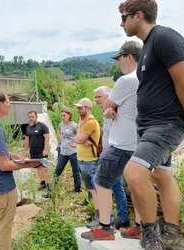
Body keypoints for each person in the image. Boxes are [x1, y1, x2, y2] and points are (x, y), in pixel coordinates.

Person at [118, 1, 184, 249]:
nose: (121, 23)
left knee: (134, 173)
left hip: (165, 123)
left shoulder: (165, 38)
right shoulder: (148, 45)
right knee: (161, 175)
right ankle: (173, 235)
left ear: (138, 15)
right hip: (150, 125)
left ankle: (151, 235)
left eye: (124, 18)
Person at [81, 41, 142, 241]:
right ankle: (141, 226)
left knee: (100, 180)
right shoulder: (148, 77)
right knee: (137, 185)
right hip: (141, 142)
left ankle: (105, 227)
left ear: (130, 57)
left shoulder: (126, 80)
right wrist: (113, 108)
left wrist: (111, 107)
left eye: (120, 59)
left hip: (122, 143)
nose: (118, 64)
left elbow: (108, 104)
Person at [0, 91, 40, 250]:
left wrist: (11, 154)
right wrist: (28, 165)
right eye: (8, 102)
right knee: (4, 228)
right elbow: (4, 165)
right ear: (0, 105)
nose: (10, 105)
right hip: (2, 188)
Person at [93, 86, 131, 230]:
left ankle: (106, 222)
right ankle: (122, 219)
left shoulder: (114, 109)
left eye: (99, 97)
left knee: (97, 181)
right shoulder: (105, 112)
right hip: (109, 154)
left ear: (109, 96)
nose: (97, 100)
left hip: (116, 154)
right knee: (117, 186)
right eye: (95, 97)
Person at [74, 98, 101, 224]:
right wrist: (80, 137)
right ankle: (97, 213)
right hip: (82, 159)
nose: (78, 110)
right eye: (78, 108)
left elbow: (78, 139)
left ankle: (99, 216)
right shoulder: (83, 121)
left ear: (88, 108)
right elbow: (78, 138)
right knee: (90, 187)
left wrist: (79, 135)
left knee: (94, 189)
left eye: (81, 108)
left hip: (90, 160)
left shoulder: (90, 122)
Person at [53, 107, 81, 194]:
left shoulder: (74, 126)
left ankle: (77, 189)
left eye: (64, 115)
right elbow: (60, 134)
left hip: (73, 152)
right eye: (61, 116)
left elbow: (81, 137)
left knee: (75, 171)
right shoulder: (61, 125)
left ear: (69, 115)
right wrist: (61, 143)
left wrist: (76, 144)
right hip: (63, 152)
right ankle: (52, 189)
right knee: (57, 170)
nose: (62, 117)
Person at [23, 111, 50, 191]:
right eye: (29, 117)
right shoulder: (28, 128)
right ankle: (42, 183)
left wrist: (46, 149)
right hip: (33, 152)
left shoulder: (42, 126)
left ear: (36, 117)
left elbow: (47, 139)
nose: (31, 119)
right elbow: (27, 139)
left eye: (32, 117)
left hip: (42, 151)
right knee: (38, 167)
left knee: (45, 168)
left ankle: (49, 185)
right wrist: (25, 150)